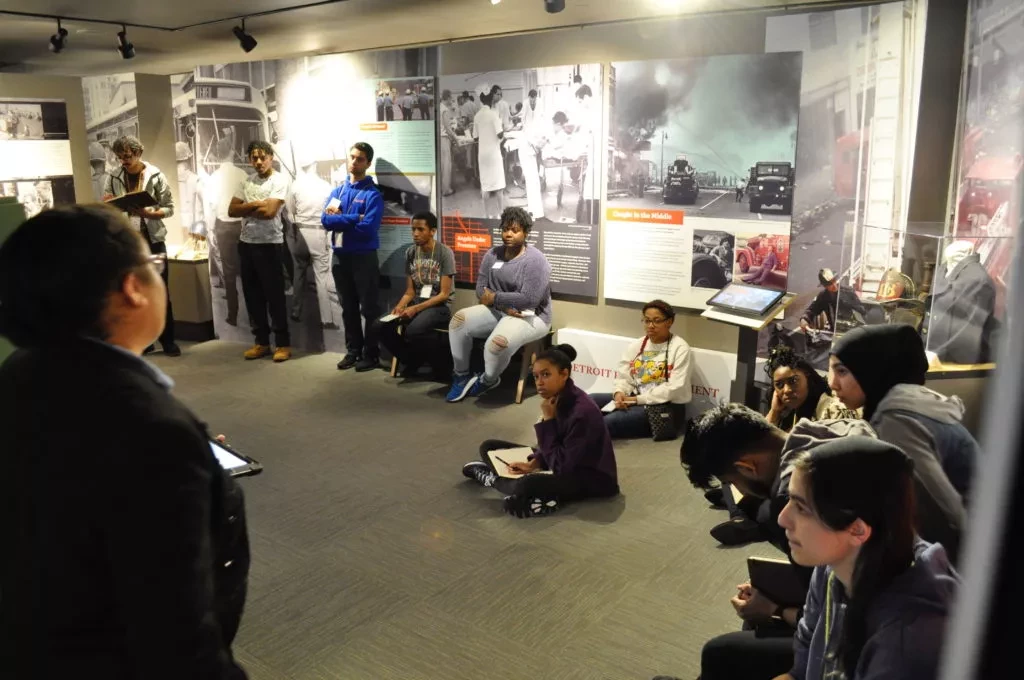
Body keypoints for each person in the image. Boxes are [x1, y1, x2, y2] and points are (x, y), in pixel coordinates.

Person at [0, 205, 249, 679]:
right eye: (153, 266)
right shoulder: (153, 431)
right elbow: (175, 639)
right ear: (132, 288)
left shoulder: (20, 372)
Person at [777, 437, 959, 680]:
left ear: (857, 530)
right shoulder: (834, 565)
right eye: (789, 499)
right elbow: (802, 664)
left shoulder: (905, 638)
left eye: (801, 508)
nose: (782, 518)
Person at [829, 324, 977, 563]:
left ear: (872, 370)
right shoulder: (910, 402)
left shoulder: (896, 421)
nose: (832, 383)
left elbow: (939, 515)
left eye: (842, 371)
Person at [461, 344, 619, 517]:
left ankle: (493, 480)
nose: (539, 382)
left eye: (546, 375)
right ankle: (533, 495)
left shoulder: (581, 412)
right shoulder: (556, 398)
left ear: (564, 374)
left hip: (591, 479)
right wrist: (534, 463)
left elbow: (561, 466)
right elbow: (556, 446)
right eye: (536, 376)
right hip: (562, 461)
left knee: (526, 484)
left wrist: (548, 421)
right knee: (490, 447)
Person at [445, 207, 552, 402]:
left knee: (496, 344)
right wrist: (502, 305)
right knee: (458, 321)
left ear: (526, 233)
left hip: (531, 316)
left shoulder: (536, 260)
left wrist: (495, 298)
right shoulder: (492, 254)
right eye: (505, 229)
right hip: (500, 310)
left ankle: (488, 380)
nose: (508, 234)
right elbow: (480, 289)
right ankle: (461, 376)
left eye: (515, 230)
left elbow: (529, 299)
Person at [102, 135, 181, 357]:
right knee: (134, 292)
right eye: (120, 157)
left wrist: (150, 213)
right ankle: (145, 341)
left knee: (160, 290)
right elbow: (107, 205)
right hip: (130, 244)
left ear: (138, 153)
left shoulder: (155, 175)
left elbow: (169, 207)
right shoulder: (114, 176)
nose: (124, 161)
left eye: (127, 156)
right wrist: (113, 205)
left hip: (153, 241)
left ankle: (168, 340)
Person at [322, 142, 385, 372]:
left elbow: (368, 228)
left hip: (363, 258)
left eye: (360, 159)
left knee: (369, 308)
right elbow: (325, 220)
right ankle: (353, 351)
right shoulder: (338, 192)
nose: (354, 162)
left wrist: (341, 220)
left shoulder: (373, 194)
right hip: (340, 258)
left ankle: (371, 354)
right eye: (352, 157)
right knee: (348, 307)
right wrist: (354, 218)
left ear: (368, 163)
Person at [589, 300, 693, 439]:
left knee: (610, 421)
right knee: (589, 401)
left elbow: (675, 388)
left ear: (669, 322)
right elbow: (624, 376)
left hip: (665, 407)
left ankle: (578, 445)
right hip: (635, 398)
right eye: (647, 320)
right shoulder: (637, 345)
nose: (651, 326)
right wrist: (619, 393)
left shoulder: (680, 348)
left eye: (657, 321)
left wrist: (637, 400)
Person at [229, 140, 292, 362]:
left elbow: (270, 212)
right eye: (254, 158)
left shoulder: (280, 180)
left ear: (270, 157)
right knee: (253, 296)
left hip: (270, 245)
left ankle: (282, 344)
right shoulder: (246, 181)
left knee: (275, 297)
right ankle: (261, 342)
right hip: (246, 244)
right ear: (249, 160)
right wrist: (256, 204)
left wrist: (246, 207)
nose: (258, 162)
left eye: (262, 157)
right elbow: (231, 210)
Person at [373, 211, 455, 378]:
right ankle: (411, 359)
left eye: (420, 229)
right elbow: (410, 291)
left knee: (414, 330)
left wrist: (415, 309)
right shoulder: (411, 252)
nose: (415, 234)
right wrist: (400, 306)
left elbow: (444, 294)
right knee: (379, 326)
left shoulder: (444, 253)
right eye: (413, 229)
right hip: (416, 302)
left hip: (438, 306)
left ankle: (440, 365)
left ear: (432, 231)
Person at [286, 156, 338, 330]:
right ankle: (326, 319)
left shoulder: (295, 185)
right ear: (315, 164)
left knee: (299, 273)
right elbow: (334, 212)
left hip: (301, 232)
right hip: (318, 231)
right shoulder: (326, 187)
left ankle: (296, 311)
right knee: (321, 277)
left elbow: (290, 212)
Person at [764, 344, 857, 431]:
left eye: (793, 381)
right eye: (779, 385)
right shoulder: (793, 412)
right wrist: (774, 412)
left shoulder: (833, 411)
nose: (787, 390)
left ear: (807, 376)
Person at [207, 136, 248, 323]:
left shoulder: (214, 178)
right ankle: (254, 316)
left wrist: (210, 230)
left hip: (223, 226)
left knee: (229, 272)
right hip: (242, 225)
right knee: (247, 270)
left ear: (217, 154)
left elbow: (211, 206)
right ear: (231, 152)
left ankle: (233, 314)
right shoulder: (242, 174)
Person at [473, 91, 506, 219]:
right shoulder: (493, 115)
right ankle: (501, 212)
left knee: (485, 186)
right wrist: (502, 132)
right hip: (494, 154)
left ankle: (486, 215)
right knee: (498, 186)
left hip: (483, 155)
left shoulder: (477, 116)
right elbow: (500, 135)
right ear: (491, 100)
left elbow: (475, 137)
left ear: (481, 100)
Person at [800, 268, 866, 332]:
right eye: (829, 284)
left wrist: (848, 303)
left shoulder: (848, 291)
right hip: (834, 332)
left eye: (834, 281)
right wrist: (804, 319)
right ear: (825, 286)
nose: (834, 285)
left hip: (851, 331)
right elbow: (812, 310)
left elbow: (862, 310)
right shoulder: (823, 296)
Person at [439, 90, 457, 197]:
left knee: (442, 164)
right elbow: (448, 128)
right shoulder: (445, 110)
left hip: (439, 138)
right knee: (446, 164)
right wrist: (456, 138)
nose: (452, 100)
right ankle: (446, 190)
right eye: (451, 98)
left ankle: (442, 188)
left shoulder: (439, 107)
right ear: (448, 97)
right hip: (444, 139)